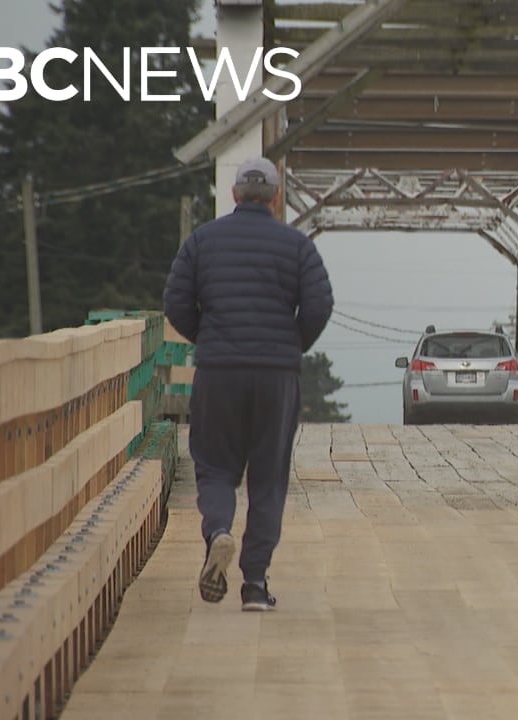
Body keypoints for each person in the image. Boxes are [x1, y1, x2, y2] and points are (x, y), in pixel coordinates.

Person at [164, 157, 333, 611]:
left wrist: (210, 338)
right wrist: (289, 345)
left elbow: (175, 302)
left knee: (215, 465)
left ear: (235, 194)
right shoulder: (297, 246)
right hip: (276, 376)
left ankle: (219, 530)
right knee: (268, 477)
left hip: (219, 371)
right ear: (276, 197)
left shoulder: (201, 242)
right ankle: (255, 583)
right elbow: (319, 304)